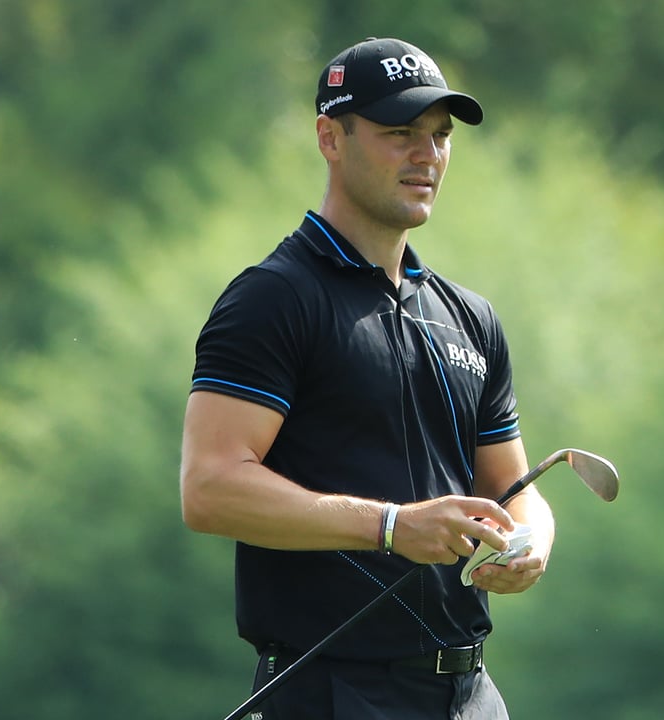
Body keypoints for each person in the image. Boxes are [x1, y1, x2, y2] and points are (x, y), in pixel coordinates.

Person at [180, 36, 554, 720]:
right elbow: (209, 488)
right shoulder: (274, 297)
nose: (427, 155)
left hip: (469, 694)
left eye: (440, 136)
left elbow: (510, 487)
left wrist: (532, 544)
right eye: (399, 133)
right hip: (329, 691)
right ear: (331, 136)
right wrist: (388, 526)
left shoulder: (470, 318)